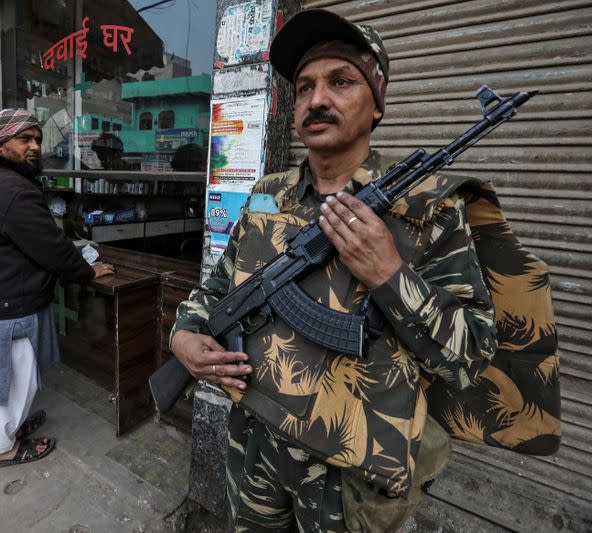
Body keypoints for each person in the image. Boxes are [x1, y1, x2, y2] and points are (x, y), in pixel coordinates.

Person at [170, 8, 498, 532]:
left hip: (351, 478)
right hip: (253, 444)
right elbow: (215, 288)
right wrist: (183, 335)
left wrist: (391, 275)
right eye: (304, 87)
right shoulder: (266, 195)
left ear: (378, 104)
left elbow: (472, 358)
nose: (317, 99)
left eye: (341, 82)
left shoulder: (430, 211)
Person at [0, 108, 115, 467]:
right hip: (8, 300)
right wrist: (86, 271)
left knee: (16, 379)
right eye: (24, 139)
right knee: (14, 383)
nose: (34, 146)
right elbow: (50, 245)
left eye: (37, 139)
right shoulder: (11, 188)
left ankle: (11, 429)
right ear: (2, 143)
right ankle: (3, 448)